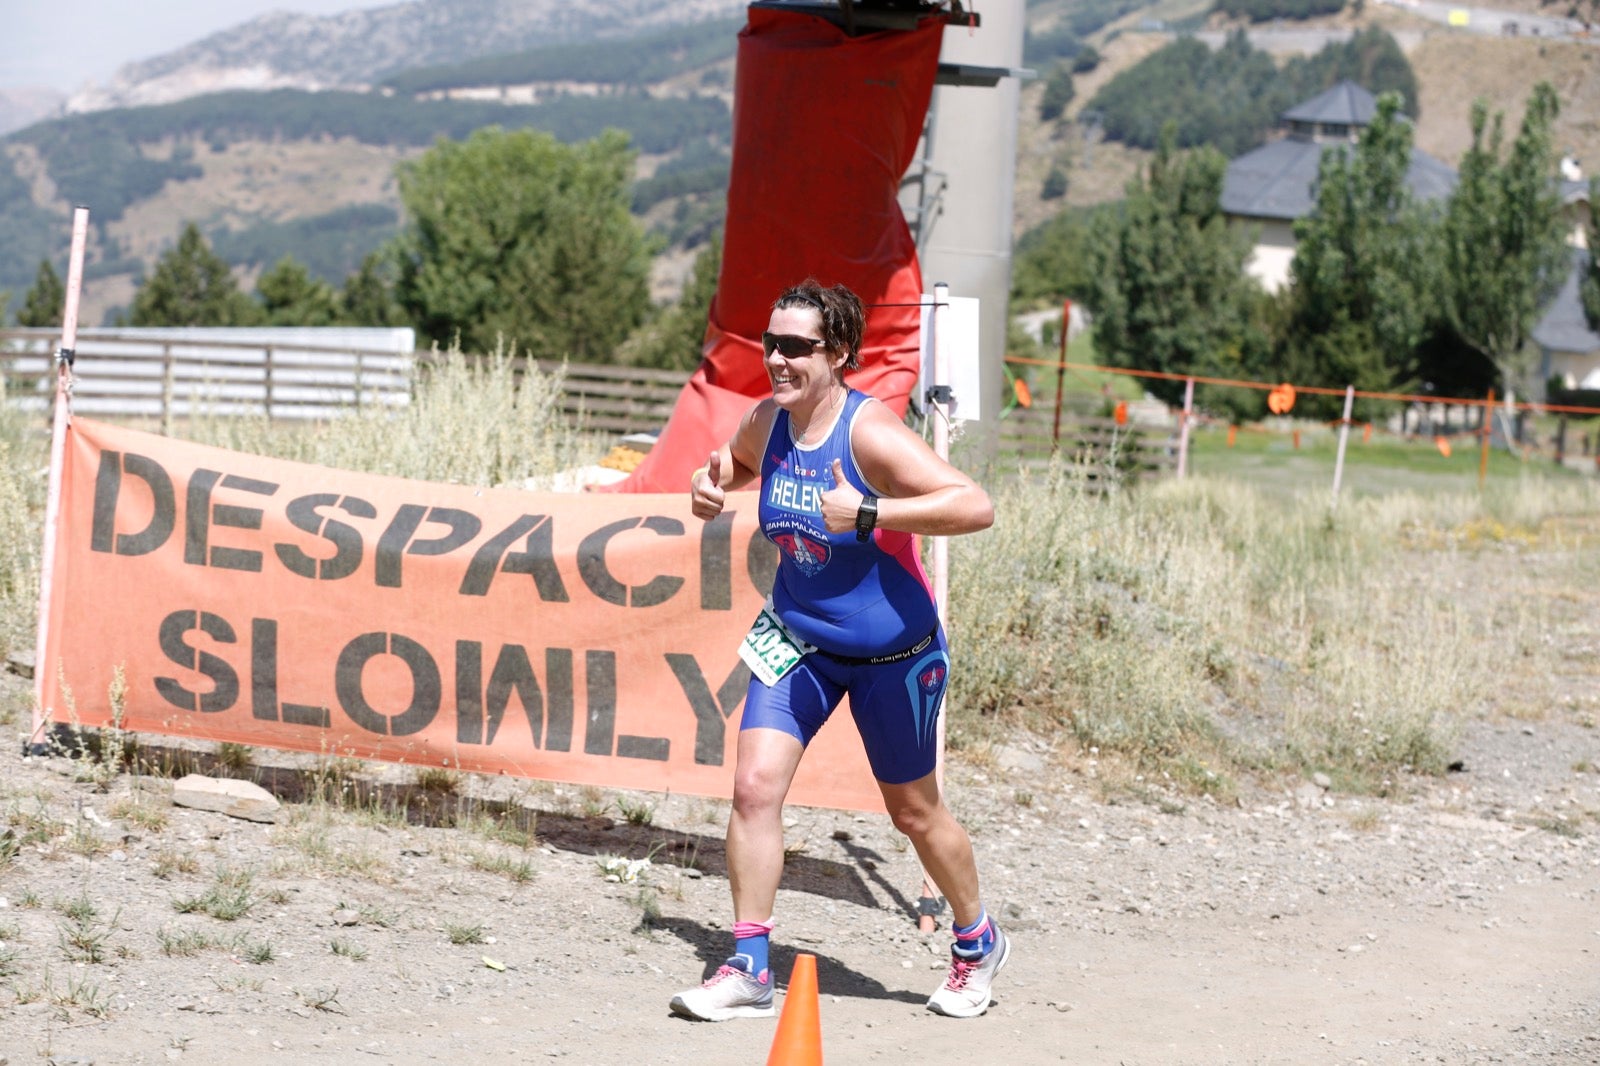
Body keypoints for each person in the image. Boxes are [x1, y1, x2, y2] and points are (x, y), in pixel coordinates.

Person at [669, 279, 1005, 1022]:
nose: (778, 359)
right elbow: (733, 462)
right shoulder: (768, 420)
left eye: (797, 347)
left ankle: (976, 939)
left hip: (894, 656)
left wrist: (874, 511)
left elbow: (974, 505)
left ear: (840, 354)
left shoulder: (869, 433)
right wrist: (709, 480)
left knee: (914, 814)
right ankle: (750, 966)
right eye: (770, 343)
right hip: (797, 640)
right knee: (754, 788)